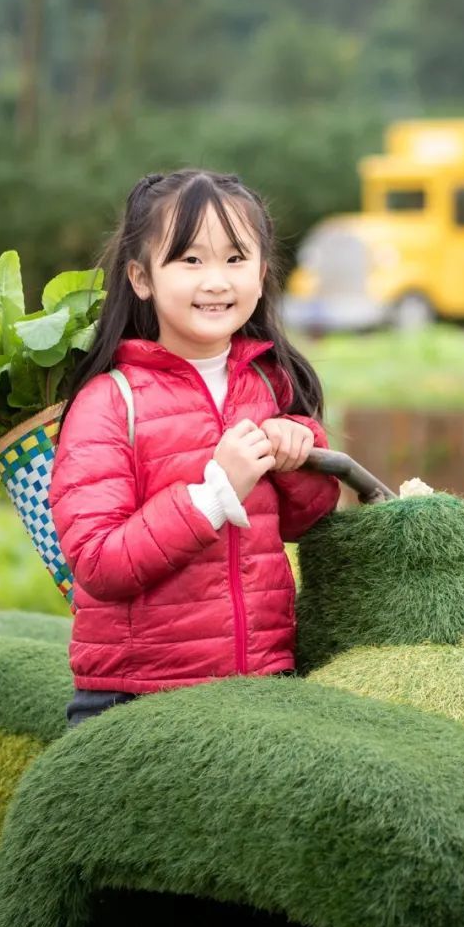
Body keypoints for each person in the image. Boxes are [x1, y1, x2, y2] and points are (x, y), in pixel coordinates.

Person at [50, 168, 340, 727]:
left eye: (236, 259)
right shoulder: (110, 401)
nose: (216, 281)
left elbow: (305, 520)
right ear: (141, 278)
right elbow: (97, 563)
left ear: (262, 273)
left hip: (263, 679)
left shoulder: (270, 384)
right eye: (190, 260)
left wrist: (299, 454)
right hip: (135, 695)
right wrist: (215, 493)